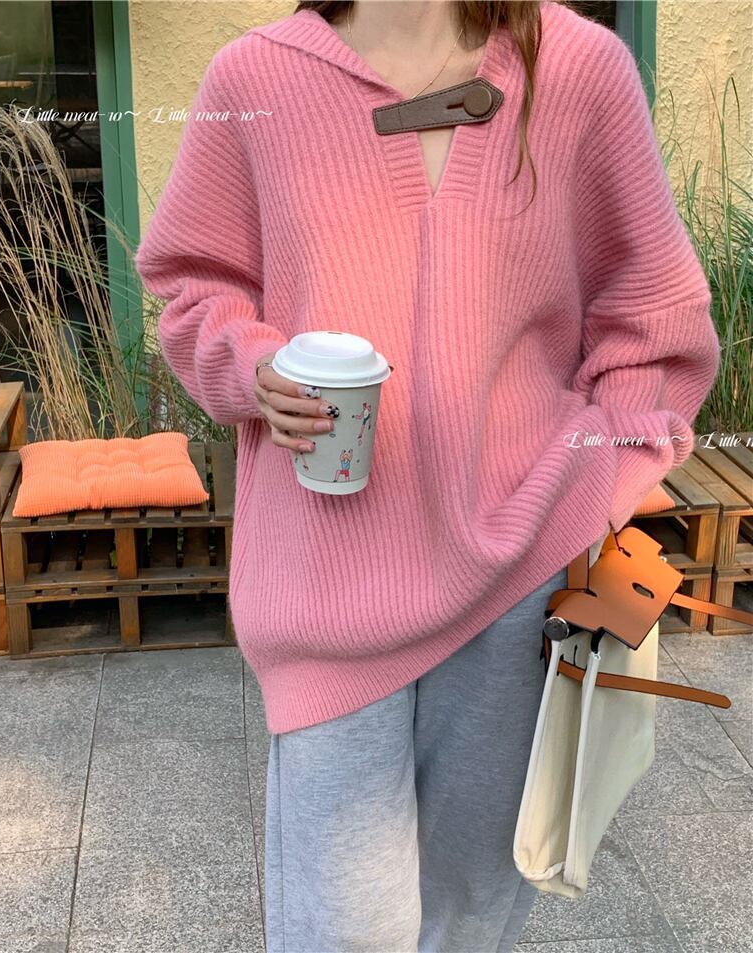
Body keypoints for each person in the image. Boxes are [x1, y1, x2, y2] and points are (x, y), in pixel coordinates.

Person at [134, 1, 722, 950]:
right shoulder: (255, 79)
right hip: (327, 585)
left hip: (521, 580)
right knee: (340, 933)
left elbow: (654, 321)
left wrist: (593, 479)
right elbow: (193, 284)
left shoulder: (580, 70)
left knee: (472, 914)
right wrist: (252, 366)